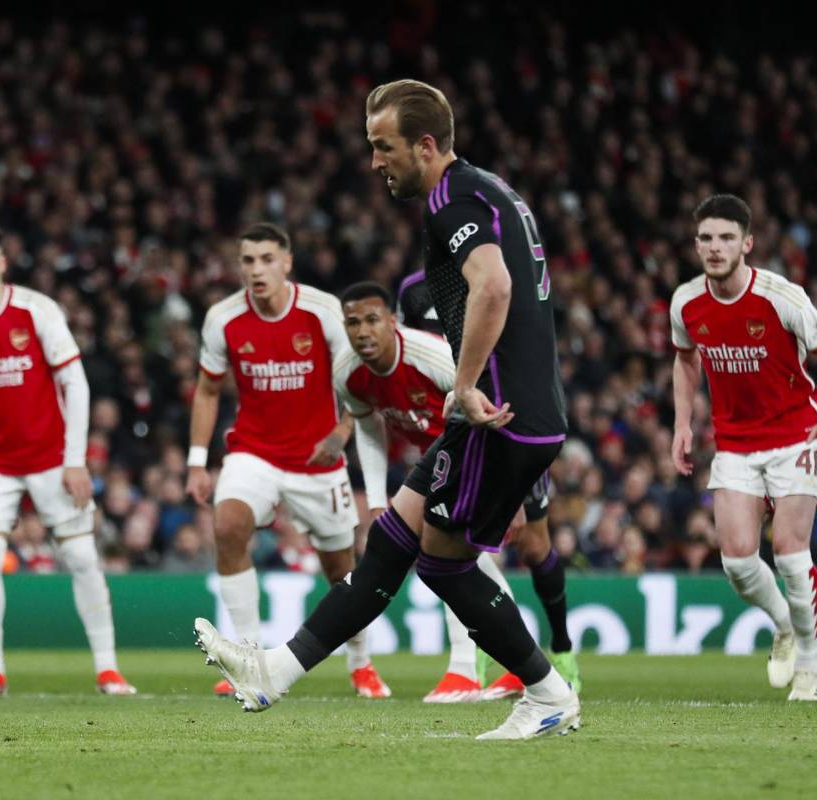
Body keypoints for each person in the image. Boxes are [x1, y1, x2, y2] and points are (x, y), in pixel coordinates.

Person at [195, 79, 580, 740]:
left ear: (425, 145)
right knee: (392, 545)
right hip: (505, 410)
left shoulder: (449, 199)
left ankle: (547, 692)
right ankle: (273, 675)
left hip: (496, 412)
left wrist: (462, 384)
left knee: (443, 562)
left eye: (384, 147)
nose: (375, 162)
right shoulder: (490, 188)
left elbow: (494, 283)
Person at [332, 280, 579, 703]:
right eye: (353, 322)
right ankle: (477, 671)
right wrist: (376, 500)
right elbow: (368, 427)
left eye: (372, 320)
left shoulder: (436, 356)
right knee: (446, 553)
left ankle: (553, 655)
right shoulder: (349, 368)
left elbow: (497, 399)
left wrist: (512, 498)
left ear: (391, 322)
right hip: (445, 458)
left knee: (533, 550)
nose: (363, 331)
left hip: (504, 439)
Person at [186, 222, 391, 700]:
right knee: (228, 525)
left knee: (340, 569)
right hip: (253, 451)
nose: (257, 270)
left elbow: (356, 380)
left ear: (287, 262)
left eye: (266, 260)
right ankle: (249, 658)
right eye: (248, 261)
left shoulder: (322, 313)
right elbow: (208, 389)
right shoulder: (223, 318)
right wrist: (198, 461)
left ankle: (361, 664)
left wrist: (342, 434)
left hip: (317, 459)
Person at [0, 222, 135, 698]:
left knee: (82, 556)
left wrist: (75, 459)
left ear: (2, 263)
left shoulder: (36, 311)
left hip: (51, 455)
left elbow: (76, 384)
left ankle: (108, 669)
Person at [670, 194, 817, 702]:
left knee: (792, 556)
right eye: (707, 238)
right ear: (696, 244)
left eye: (727, 237)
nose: (715, 247)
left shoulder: (781, 296)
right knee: (736, 562)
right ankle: (784, 626)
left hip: (796, 433)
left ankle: (810, 673)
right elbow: (686, 360)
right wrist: (682, 423)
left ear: (747, 244)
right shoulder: (686, 302)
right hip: (734, 442)